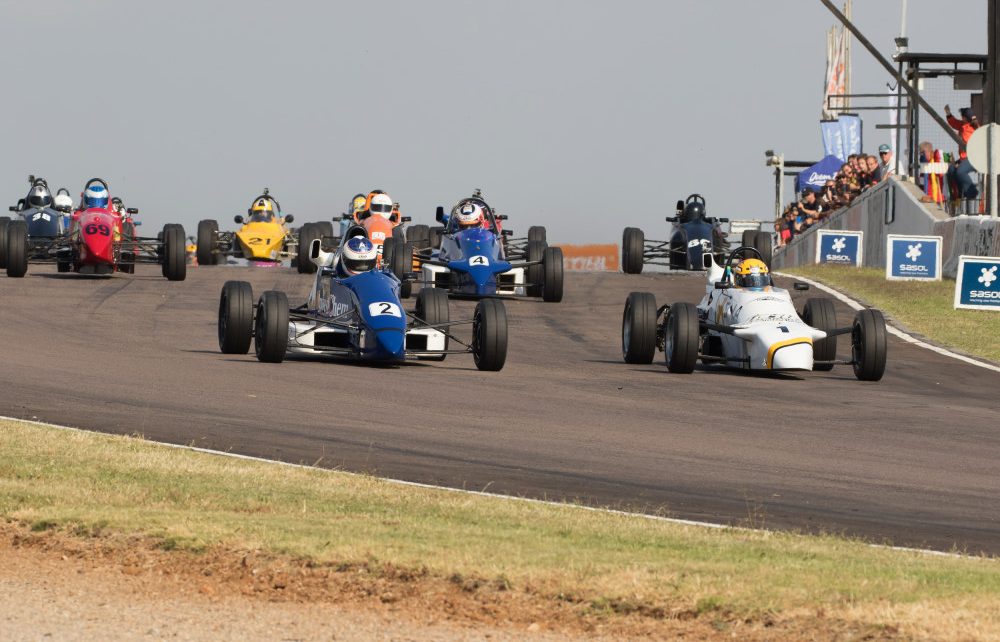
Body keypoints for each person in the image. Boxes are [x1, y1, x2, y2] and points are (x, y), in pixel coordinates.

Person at [945, 104, 980, 208]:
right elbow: (954, 123)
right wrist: (948, 114)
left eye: (962, 116)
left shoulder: (971, 129)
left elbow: (970, 146)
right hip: (964, 158)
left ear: (965, 117)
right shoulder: (963, 125)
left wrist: (960, 162)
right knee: (951, 169)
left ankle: (972, 192)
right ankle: (959, 193)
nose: (961, 118)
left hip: (973, 158)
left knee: (960, 171)